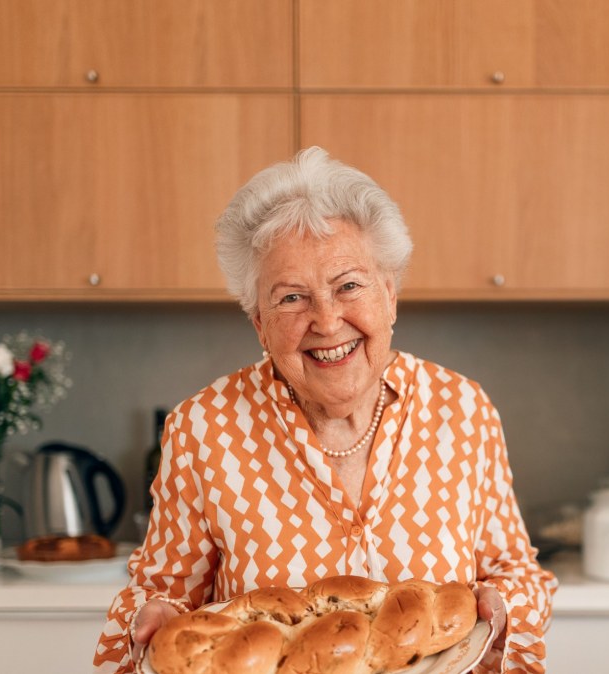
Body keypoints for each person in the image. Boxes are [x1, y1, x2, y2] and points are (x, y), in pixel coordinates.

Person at [93, 147, 557, 673]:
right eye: (291, 298)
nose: (328, 320)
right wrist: (151, 618)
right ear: (259, 325)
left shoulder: (462, 410)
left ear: (390, 296)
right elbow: (164, 591)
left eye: (349, 286)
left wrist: (503, 614)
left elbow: (514, 571)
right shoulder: (203, 428)